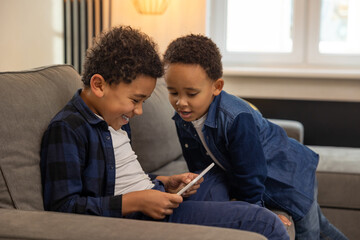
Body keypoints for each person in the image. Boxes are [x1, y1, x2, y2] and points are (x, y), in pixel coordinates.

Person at [40, 26, 289, 240]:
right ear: (99, 85)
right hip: (139, 218)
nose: (138, 111)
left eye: (143, 102)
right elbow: (63, 207)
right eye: (135, 100)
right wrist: (138, 201)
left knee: (220, 180)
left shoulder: (115, 117)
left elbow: (121, 175)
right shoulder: (68, 129)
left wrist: (163, 181)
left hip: (155, 197)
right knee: (265, 223)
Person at [163, 34, 349, 240]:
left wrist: (254, 212)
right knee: (322, 226)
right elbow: (201, 167)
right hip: (262, 180)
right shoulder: (182, 119)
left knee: (313, 232)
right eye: (173, 93)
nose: (181, 102)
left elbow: (250, 171)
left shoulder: (236, 118)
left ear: (217, 87)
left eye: (191, 93)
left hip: (291, 179)